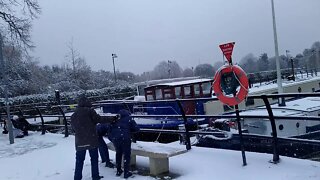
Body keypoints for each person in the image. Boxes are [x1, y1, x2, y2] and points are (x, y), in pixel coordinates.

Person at [71, 95, 119, 180]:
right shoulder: (90, 112)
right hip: (91, 140)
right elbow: (100, 119)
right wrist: (112, 119)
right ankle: (95, 176)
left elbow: (73, 128)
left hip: (80, 141)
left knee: (79, 161)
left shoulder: (74, 115)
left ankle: (77, 178)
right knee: (94, 159)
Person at [108, 109, 140, 179]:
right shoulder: (129, 119)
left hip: (116, 139)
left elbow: (109, 130)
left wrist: (112, 138)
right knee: (127, 155)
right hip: (125, 139)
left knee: (118, 154)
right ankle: (126, 172)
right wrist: (129, 130)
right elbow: (137, 129)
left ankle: (118, 170)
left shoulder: (115, 119)